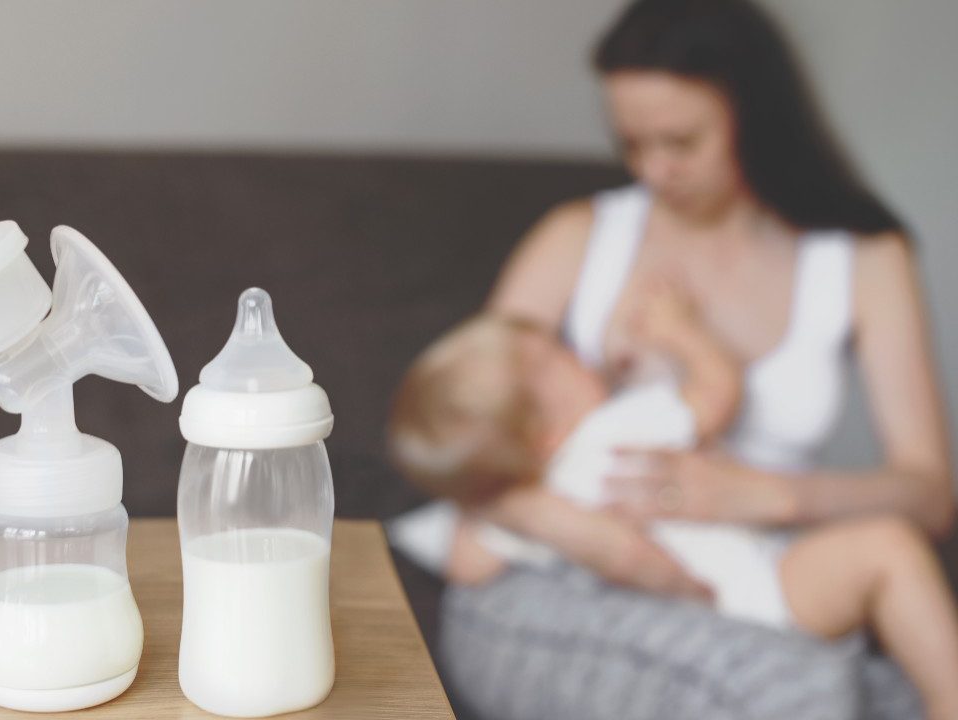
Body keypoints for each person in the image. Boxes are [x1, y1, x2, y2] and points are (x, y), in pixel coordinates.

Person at [389, 0, 955, 717]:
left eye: (682, 141)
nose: (656, 169)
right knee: (807, 690)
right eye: (632, 143)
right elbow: (474, 429)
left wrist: (771, 495)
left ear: (756, 118)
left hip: (757, 561)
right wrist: (591, 537)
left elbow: (929, 497)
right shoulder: (577, 236)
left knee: (885, 592)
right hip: (578, 576)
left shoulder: (864, 259)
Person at [389, 296, 958, 718]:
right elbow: (717, 394)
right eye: (560, 356)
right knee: (888, 547)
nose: (578, 356)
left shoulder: (536, 501)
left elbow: (467, 565)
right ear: (545, 425)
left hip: (701, 613)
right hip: (757, 589)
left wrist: (497, 501)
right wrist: (680, 332)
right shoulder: (616, 433)